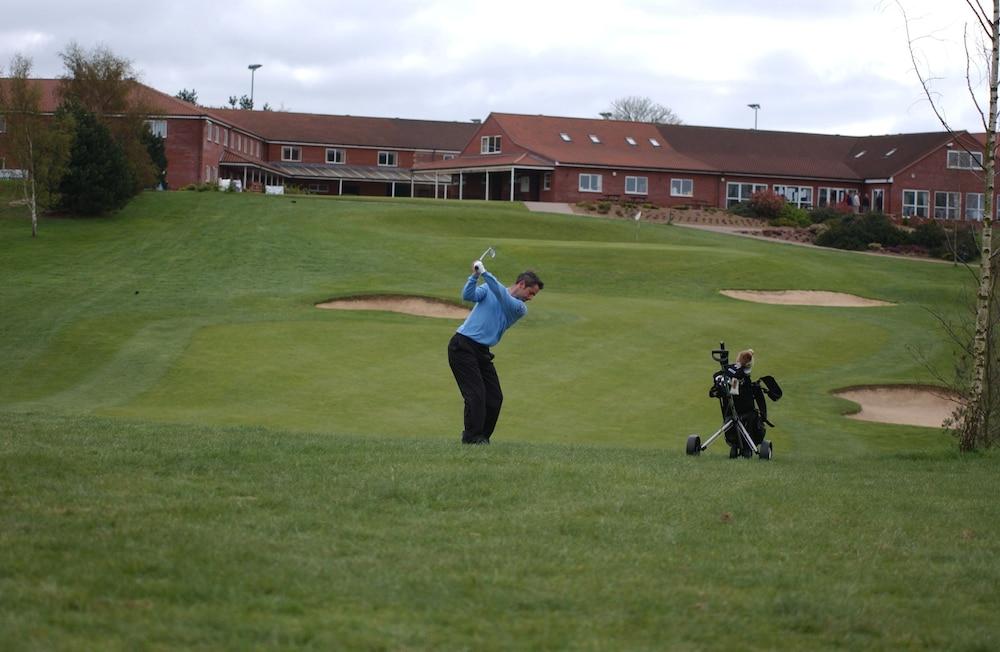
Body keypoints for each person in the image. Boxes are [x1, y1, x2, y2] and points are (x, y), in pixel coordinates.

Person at [447, 262, 543, 444]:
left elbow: (501, 295)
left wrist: (485, 272)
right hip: (462, 346)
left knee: (495, 397)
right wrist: (475, 276)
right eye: (531, 293)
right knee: (475, 395)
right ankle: (472, 438)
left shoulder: (519, 308)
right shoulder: (488, 288)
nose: (531, 298)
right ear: (521, 284)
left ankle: (483, 437)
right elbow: (468, 296)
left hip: (482, 351)